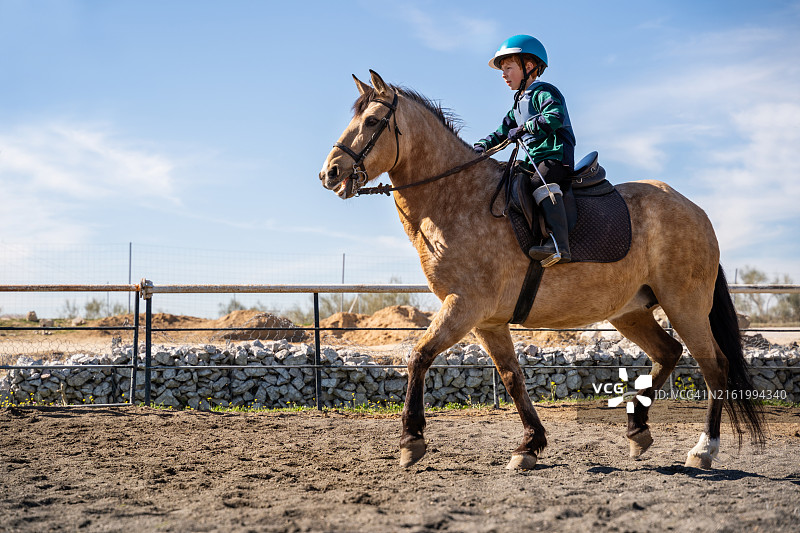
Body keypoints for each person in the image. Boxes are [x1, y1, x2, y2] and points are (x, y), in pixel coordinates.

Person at [474, 34, 576, 265]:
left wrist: (527, 127)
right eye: (503, 70)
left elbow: (554, 116)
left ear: (528, 67)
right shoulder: (519, 102)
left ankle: (559, 244)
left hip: (555, 155)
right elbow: (503, 130)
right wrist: (482, 146)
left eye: (509, 68)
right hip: (534, 158)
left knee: (541, 182)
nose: (503, 75)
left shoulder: (544, 92)